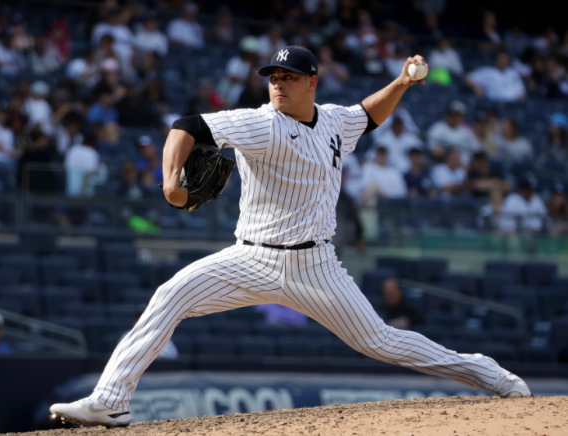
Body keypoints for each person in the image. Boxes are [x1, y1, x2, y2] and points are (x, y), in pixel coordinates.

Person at [51, 47, 530, 428]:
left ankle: (488, 373)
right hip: (250, 258)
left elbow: (369, 113)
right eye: (273, 77)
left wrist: (402, 82)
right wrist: (172, 182)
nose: (277, 84)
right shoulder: (261, 123)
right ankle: (111, 402)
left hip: (316, 266)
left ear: (311, 83)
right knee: (170, 295)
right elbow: (186, 127)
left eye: (288, 77)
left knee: (380, 342)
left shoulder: (337, 121)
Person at [218, 36, 259, 107]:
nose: (250, 54)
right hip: (230, 92)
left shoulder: (255, 64)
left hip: (247, 96)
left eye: (252, 52)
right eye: (249, 52)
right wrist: (246, 80)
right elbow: (232, 78)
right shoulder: (236, 61)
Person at [64, 131, 103, 197]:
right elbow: (87, 175)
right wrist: (82, 196)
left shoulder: (72, 150)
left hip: (70, 193)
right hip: (84, 195)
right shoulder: (92, 153)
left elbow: (66, 170)